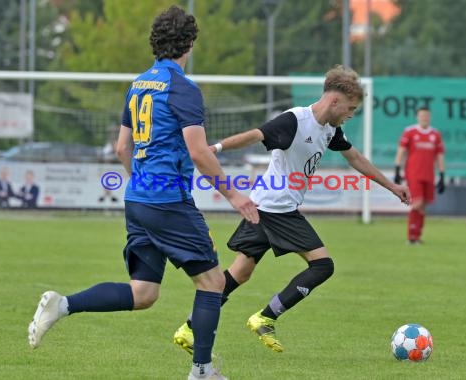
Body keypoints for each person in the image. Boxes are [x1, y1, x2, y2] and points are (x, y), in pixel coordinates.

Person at [27, 6, 258, 380]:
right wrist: (234, 196)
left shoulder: (138, 84)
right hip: (168, 201)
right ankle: (202, 372)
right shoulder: (182, 87)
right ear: (190, 44)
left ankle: (63, 305)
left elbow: (122, 148)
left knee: (144, 293)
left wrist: (143, 184)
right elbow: (199, 152)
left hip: (138, 198)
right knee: (213, 282)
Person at [173, 65, 411, 355]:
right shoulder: (295, 121)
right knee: (323, 265)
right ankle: (265, 317)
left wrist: (392, 186)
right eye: (351, 108)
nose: (352, 114)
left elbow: (356, 158)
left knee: (241, 271)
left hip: (263, 205)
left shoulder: (330, 129)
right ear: (334, 100)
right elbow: (256, 134)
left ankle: (189, 327)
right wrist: (217, 147)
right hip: (277, 208)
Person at [393, 107, 445, 244]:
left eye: (427, 116)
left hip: (429, 174)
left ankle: (417, 236)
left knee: (424, 206)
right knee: (417, 203)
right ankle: (411, 236)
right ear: (417, 117)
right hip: (413, 173)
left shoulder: (435, 134)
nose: (424, 118)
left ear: (430, 117)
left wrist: (442, 174)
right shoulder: (410, 131)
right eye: (422, 116)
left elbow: (439, 155)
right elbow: (401, 151)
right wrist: (397, 169)